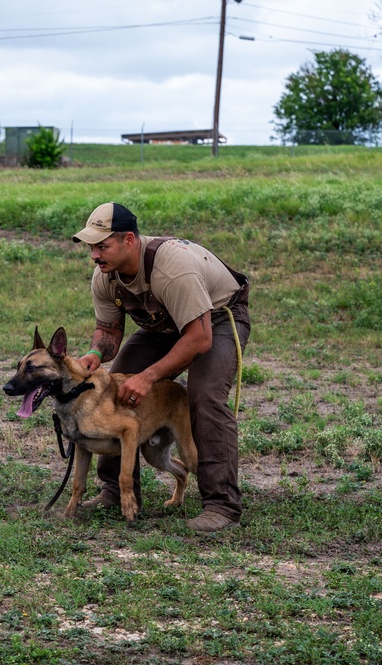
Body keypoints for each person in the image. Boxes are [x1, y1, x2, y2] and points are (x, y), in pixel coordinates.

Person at [71, 202, 251, 534]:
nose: (94, 255)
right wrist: (96, 353)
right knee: (113, 385)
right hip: (163, 327)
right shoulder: (105, 276)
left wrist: (149, 377)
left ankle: (222, 505)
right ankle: (115, 490)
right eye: (91, 246)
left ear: (128, 240)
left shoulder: (171, 268)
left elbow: (198, 340)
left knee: (204, 396)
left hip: (216, 319)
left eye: (101, 245)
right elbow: (108, 331)